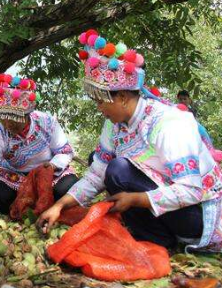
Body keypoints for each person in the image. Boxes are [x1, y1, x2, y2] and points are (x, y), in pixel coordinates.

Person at [38, 29, 222, 252]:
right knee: (110, 169)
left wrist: (137, 199)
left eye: (101, 101)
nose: (99, 109)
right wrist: (59, 205)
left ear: (123, 98)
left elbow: (191, 191)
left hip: (199, 215)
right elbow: (97, 174)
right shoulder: (114, 125)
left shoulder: (169, 123)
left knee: (119, 170)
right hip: (167, 205)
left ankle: (169, 239)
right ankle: (159, 241)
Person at [0, 73, 78, 215]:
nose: (7, 124)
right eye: (3, 118)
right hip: (15, 177)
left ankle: (45, 208)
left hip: (48, 173)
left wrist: (52, 166)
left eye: (13, 119)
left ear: (26, 115)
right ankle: (30, 209)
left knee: (68, 189)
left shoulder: (47, 122)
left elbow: (64, 151)